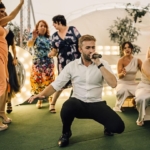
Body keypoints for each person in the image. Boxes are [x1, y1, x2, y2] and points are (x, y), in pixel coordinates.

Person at [28, 35, 125, 147]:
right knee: (67, 106)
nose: (91, 51)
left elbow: (113, 84)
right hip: (79, 103)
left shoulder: (102, 63)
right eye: (88, 48)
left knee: (118, 127)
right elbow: (56, 84)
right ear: (80, 49)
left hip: (97, 104)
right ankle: (66, 133)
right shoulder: (72, 66)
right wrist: (41, 95)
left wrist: (99, 64)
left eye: (93, 47)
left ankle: (107, 126)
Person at [48, 15, 81, 113]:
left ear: (59, 22)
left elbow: (81, 42)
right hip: (63, 63)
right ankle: (52, 103)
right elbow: (54, 50)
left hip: (76, 60)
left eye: (54, 23)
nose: (53, 25)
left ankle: (75, 105)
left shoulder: (72, 29)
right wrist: (50, 54)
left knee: (77, 82)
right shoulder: (54, 36)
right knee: (61, 83)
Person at [0, 0, 24, 131]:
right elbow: (13, 15)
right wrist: (21, 4)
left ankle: (2, 113)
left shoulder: (4, 28)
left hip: (4, 58)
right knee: (1, 86)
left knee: (5, 85)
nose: (3, 14)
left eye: (4, 12)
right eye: (0, 12)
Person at [27, 20, 55, 109]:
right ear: (37, 28)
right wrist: (33, 38)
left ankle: (51, 99)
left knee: (49, 81)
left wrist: (53, 53)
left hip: (48, 63)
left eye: (45, 26)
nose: (43, 27)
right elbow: (29, 44)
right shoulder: (34, 36)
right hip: (37, 63)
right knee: (38, 81)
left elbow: (54, 50)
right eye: (41, 26)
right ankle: (39, 99)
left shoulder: (50, 38)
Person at [113, 42, 142, 112]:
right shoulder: (121, 61)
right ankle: (120, 105)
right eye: (125, 48)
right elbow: (119, 76)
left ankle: (136, 103)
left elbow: (144, 72)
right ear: (123, 50)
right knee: (121, 91)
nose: (127, 49)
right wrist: (123, 73)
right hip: (123, 83)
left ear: (131, 49)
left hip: (133, 83)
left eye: (129, 47)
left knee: (141, 92)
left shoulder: (137, 60)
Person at [5, 27, 20, 114]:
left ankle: (9, 101)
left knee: (9, 80)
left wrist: (15, 58)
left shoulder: (9, 32)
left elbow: (13, 46)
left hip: (7, 57)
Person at [135, 48, 150, 126]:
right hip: (145, 87)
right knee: (141, 99)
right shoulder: (146, 62)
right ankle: (140, 117)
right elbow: (149, 76)